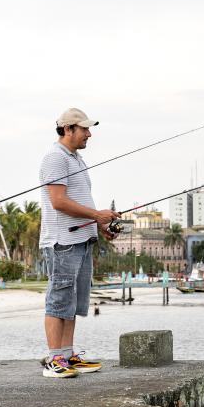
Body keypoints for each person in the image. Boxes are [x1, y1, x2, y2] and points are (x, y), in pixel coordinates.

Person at [38, 108, 119, 379]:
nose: (89, 133)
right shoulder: (55, 158)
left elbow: (82, 200)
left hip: (82, 239)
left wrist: (100, 226)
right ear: (68, 129)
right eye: (84, 129)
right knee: (58, 298)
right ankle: (54, 359)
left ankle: (68, 354)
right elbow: (58, 201)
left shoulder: (76, 159)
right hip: (63, 241)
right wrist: (97, 215)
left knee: (72, 301)